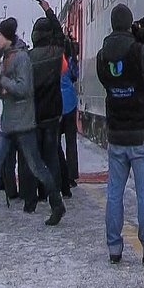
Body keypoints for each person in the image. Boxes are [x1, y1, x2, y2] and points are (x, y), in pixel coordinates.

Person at [0, 17, 65, 231]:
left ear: (7, 37)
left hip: (23, 124)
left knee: (37, 167)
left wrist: (0, 81)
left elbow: (24, 89)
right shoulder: (5, 57)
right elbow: (8, 92)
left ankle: (57, 203)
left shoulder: (20, 58)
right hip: (9, 123)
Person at [97, 4, 144, 265]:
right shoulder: (140, 50)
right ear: (128, 25)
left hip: (116, 133)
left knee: (114, 192)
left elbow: (108, 81)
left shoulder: (103, 56)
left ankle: (114, 248)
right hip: (141, 134)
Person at [19, 0, 64, 213]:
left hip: (31, 116)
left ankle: (30, 200)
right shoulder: (56, 54)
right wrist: (48, 11)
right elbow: (60, 34)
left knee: (30, 158)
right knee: (51, 156)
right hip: (52, 115)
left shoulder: (26, 59)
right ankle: (51, 194)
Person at [58, 39, 79, 197]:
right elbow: (75, 76)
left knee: (55, 142)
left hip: (56, 103)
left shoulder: (54, 58)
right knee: (71, 142)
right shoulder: (70, 60)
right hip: (70, 102)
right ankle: (72, 175)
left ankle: (59, 172)